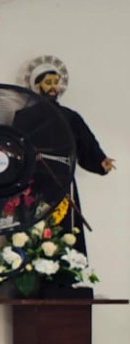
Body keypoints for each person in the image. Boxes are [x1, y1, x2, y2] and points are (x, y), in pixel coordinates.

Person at [13, 67, 115, 257]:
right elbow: (16, 147)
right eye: (48, 82)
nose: (53, 87)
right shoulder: (24, 116)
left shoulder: (70, 116)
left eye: (55, 82)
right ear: (37, 86)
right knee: (32, 226)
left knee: (67, 228)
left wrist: (100, 161)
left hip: (62, 178)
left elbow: (86, 143)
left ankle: (66, 272)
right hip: (33, 180)